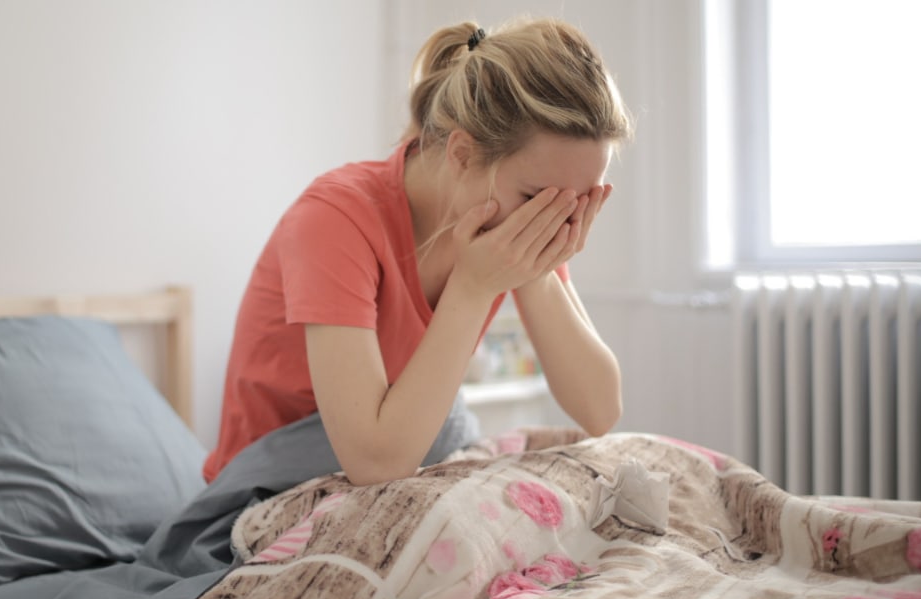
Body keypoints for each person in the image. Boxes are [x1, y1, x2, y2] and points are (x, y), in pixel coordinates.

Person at [204, 17, 632, 486]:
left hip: (416, 456)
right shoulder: (334, 219)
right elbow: (372, 464)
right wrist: (471, 288)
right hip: (271, 485)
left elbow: (600, 410)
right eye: (539, 201)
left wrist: (539, 267)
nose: (558, 222)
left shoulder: (511, 225)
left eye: (580, 201)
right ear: (463, 155)